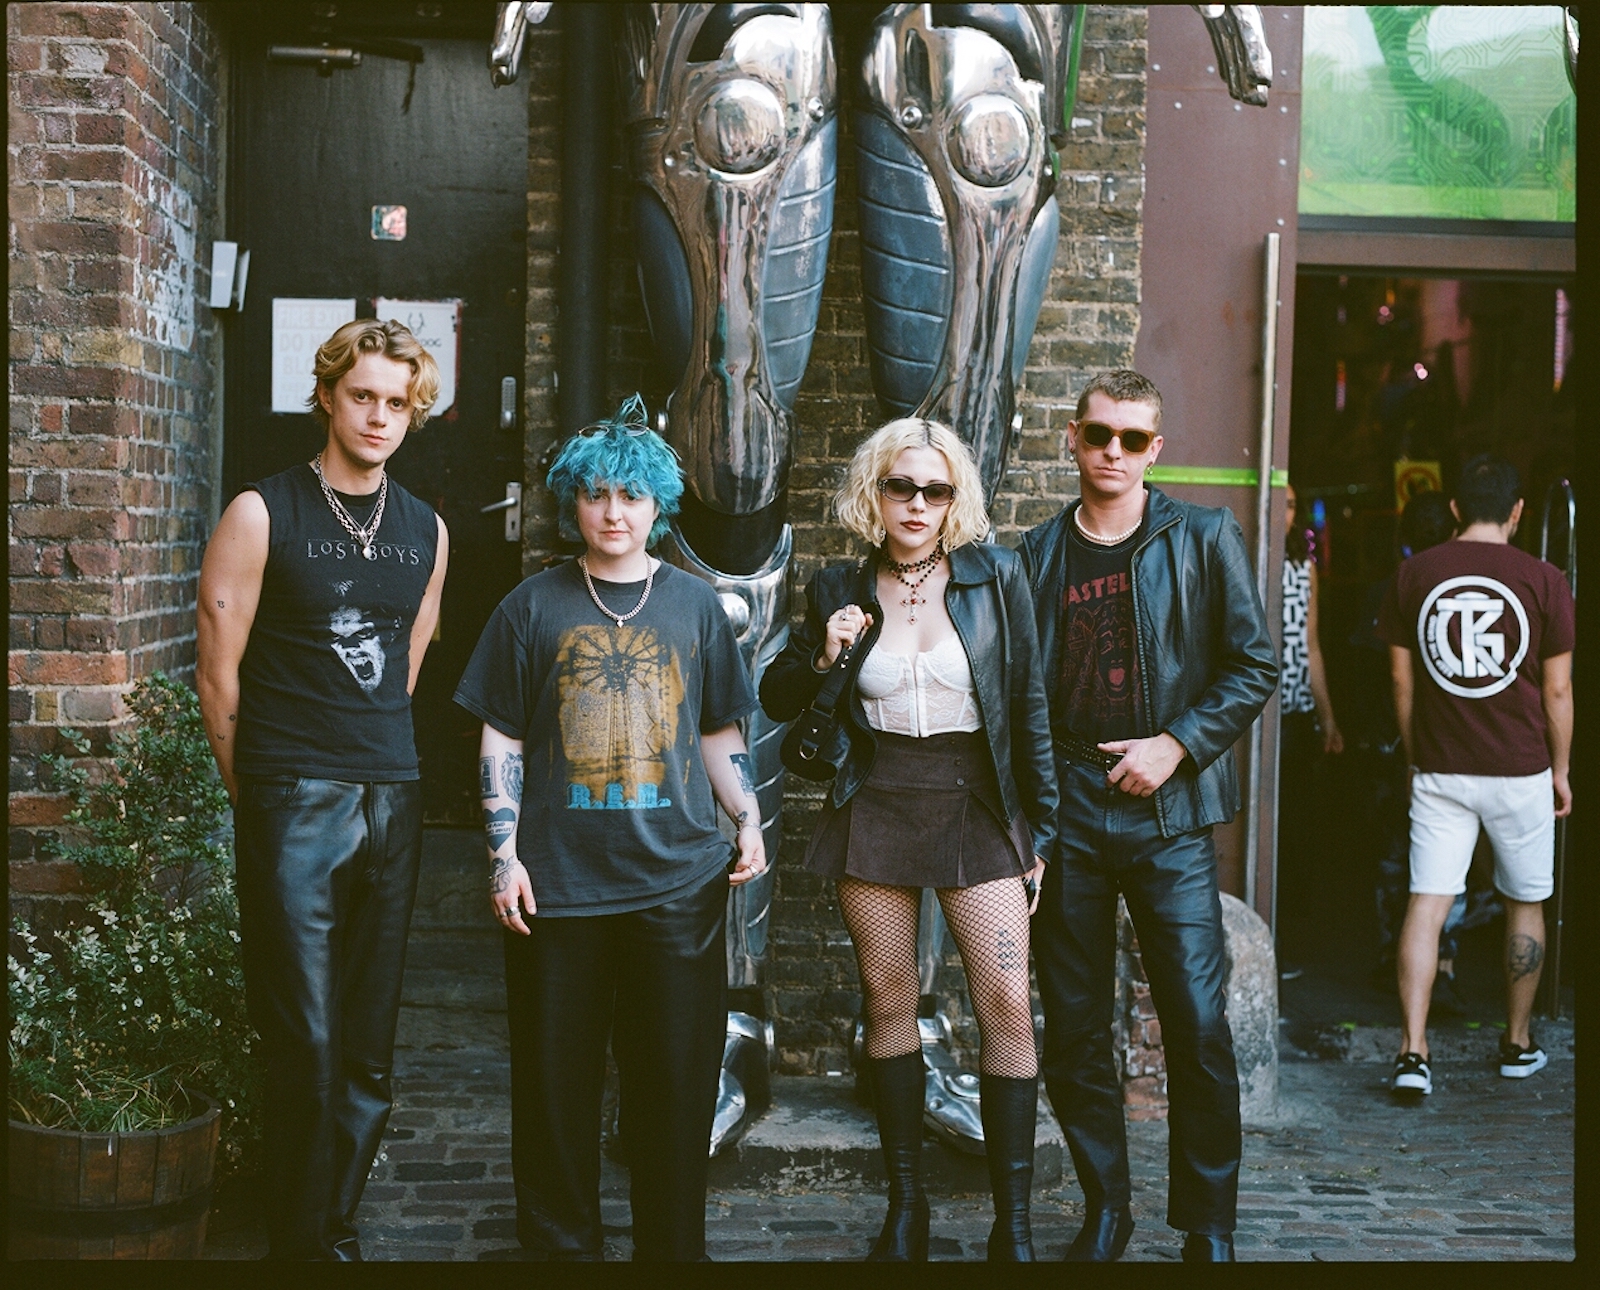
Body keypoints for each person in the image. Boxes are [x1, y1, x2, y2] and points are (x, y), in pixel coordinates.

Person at [452, 395, 766, 1261]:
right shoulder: (531, 605)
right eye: (596, 495)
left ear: (658, 505)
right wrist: (503, 854)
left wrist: (747, 816)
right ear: (574, 502)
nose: (614, 513)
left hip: (677, 882)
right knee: (555, 1093)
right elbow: (501, 732)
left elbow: (716, 729)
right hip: (560, 886)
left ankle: (673, 1252)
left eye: (631, 497)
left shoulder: (698, 608)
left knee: (675, 1085)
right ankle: (561, 1254)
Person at [759, 419, 1058, 1262]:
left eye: (935, 489)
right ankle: (905, 1209)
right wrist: (822, 653)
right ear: (875, 493)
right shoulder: (837, 585)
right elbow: (777, 698)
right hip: (877, 798)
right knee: (889, 1002)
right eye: (902, 487)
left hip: (979, 804)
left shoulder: (998, 577)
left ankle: (1017, 1227)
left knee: (1005, 1003)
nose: (918, 504)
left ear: (955, 497)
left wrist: (1041, 830)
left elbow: (1029, 707)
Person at [197, 318, 449, 1260]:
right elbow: (217, 678)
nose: (379, 416)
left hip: (393, 794)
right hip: (290, 794)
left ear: (412, 411)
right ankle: (297, 1243)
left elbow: (407, 665)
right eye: (363, 397)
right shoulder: (264, 511)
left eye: (397, 402)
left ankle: (330, 1232)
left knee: (367, 1051)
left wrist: (371, 764)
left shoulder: (427, 527)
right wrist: (260, 794)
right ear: (329, 397)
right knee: (302, 1040)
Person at [1017, 369, 1278, 1263]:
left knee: (1197, 1020)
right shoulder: (1036, 555)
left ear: (1156, 449)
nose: (1113, 454)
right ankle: (1106, 1210)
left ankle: (1207, 1224)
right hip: (1071, 812)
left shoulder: (1204, 537)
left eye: (1133, 440)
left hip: (1170, 812)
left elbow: (1253, 666)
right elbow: (1016, 692)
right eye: (1099, 436)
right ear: (1073, 439)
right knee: (1077, 1023)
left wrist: (1175, 743)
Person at [1380, 455, 1574, 1098]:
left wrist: (1415, 756)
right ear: (1517, 512)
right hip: (1521, 769)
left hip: (1440, 767)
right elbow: (1558, 691)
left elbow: (1402, 681)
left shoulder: (1413, 573)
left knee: (1427, 902)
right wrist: (1563, 770)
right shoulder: (1546, 579)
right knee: (1526, 901)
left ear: (1456, 508)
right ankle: (1517, 1044)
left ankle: (1413, 1052)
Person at [1274, 483, 1343, 957]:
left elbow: (1312, 644)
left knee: (1294, 820)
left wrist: (1329, 719)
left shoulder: (1303, 567)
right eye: (1281, 500)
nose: (1286, 510)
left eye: (1293, 504)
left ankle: (1289, 937)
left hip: (1293, 709)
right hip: (1245, 710)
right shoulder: (1238, 555)